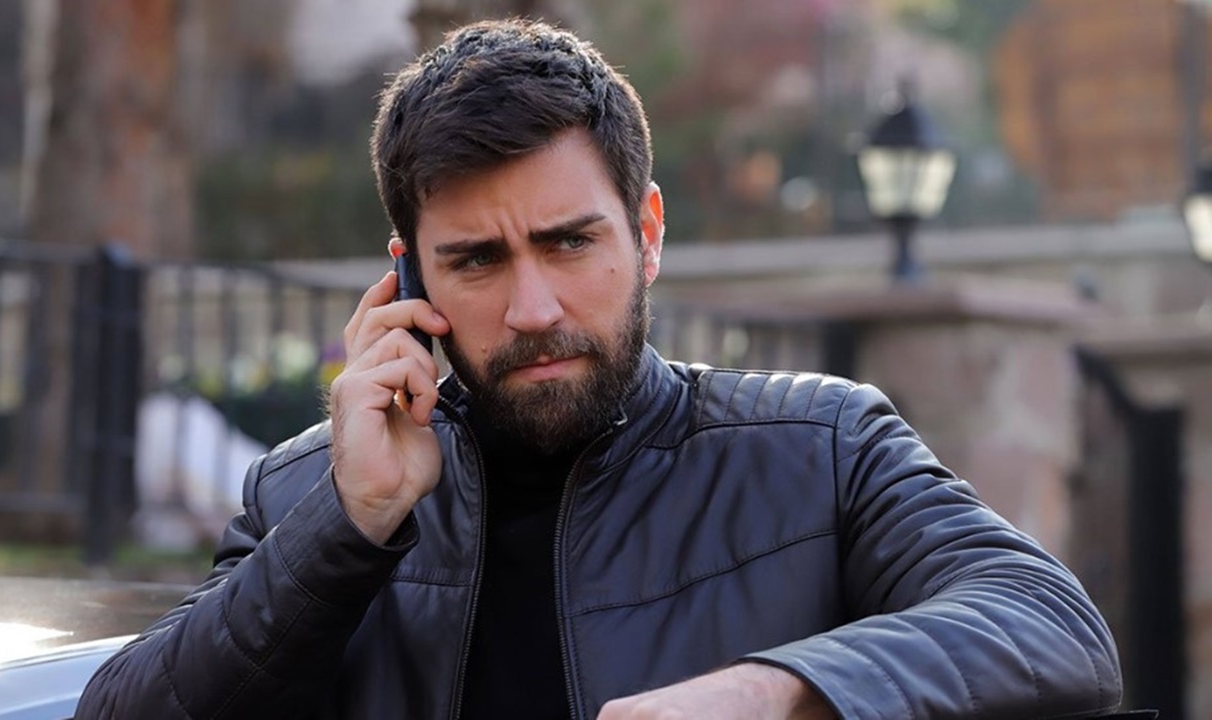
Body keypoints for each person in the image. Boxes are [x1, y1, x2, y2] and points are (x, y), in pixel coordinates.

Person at [77, 18, 1122, 720]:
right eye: (477, 261)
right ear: (408, 277)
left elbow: (1052, 627)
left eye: (569, 242)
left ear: (647, 233)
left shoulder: (821, 448)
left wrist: (773, 692)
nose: (532, 309)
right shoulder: (310, 494)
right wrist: (348, 527)